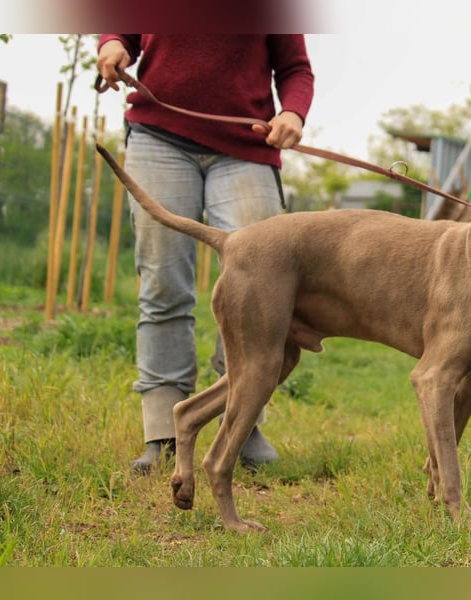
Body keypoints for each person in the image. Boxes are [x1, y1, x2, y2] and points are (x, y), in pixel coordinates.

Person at [96, 34, 314, 474]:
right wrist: (113, 44)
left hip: (247, 148)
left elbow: (295, 69)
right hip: (159, 137)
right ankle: (163, 431)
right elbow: (124, 32)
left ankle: (241, 419)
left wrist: (291, 111)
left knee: (258, 290)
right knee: (162, 283)